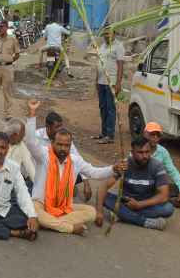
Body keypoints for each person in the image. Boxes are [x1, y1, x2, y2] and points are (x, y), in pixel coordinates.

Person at [25, 100, 126, 235]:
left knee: (91, 212)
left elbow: (94, 172)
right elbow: (31, 142)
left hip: (62, 206)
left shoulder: (75, 160)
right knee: (34, 209)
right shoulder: (44, 155)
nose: (63, 148)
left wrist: (113, 168)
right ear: (52, 143)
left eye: (66, 146)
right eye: (59, 144)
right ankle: (69, 227)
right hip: (41, 203)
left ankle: (49, 223)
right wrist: (32, 114)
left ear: (70, 146)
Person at [95, 137, 174, 231]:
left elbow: (164, 195)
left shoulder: (157, 166)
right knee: (105, 198)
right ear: (132, 153)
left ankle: (123, 215)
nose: (145, 156)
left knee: (168, 208)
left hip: (146, 204)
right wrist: (99, 212)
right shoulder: (125, 164)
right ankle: (145, 222)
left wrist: (140, 204)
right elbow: (103, 187)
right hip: (127, 203)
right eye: (140, 152)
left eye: (147, 152)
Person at [142, 122, 180, 208]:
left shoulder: (163, 152)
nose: (155, 138)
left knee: (176, 188)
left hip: (156, 186)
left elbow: (172, 171)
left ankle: (160, 199)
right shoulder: (139, 148)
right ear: (145, 135)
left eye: (158, 135)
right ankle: (162, 200)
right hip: (141, 184)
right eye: (152, 135)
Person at [93, 25, 124, 144]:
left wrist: (118, 83)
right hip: (101, 82)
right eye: (105, 34)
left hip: (111, 82)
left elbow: (121, 65)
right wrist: (96, 80)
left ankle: (110, 135)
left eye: (108, 33)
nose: (106, 36)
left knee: (110, 108)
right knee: (103, 107)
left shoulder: (118, 46)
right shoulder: (102, 46)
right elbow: (99, 64)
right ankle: (104, 132)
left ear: (114, 33)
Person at [0, 20, 20, 119]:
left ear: (6, 28)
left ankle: (8, 114)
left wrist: (9, 60)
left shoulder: (13, 39)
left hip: (8, 68)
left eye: (1, 27)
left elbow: (17, 54)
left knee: (7, 92)